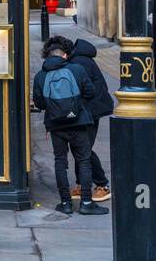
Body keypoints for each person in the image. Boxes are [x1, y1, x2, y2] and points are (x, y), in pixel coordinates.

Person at [33, 36, 107, 216]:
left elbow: (40, 103)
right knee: (84, 161)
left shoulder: (40, 76)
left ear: (47, 55)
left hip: (56, 125)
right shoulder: (77, 69)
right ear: (65, 55)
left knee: (60, 162)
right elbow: (90, 92)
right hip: (79, 122)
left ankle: (65, 203)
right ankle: (86, 203)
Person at [67, 38, 113, 202]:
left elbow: (84, 90)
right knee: (79, 147)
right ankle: (81, 184)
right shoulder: (79, 59)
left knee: (83, 148)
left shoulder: (80, 62)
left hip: (90, 111)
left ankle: (103, 185)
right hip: (88, 110)